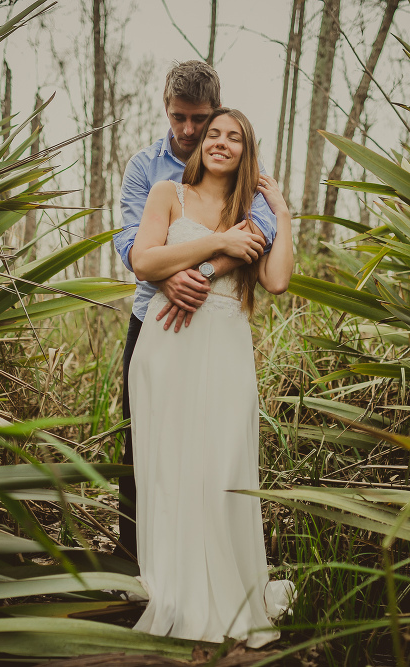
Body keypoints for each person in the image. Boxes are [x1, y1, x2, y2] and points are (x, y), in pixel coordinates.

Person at [127, 107, 294, 647]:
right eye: (214, 134)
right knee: (171, 466)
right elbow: (144, 262)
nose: (221, 142)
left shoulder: (254, 212)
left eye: (235, 137)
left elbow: (276, 281)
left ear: (247, 151)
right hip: (168, 340)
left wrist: (285, 215)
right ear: (201, 144)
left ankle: (231, 591)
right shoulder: (167, 196)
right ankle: (174, 591)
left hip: (226, 343)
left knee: (224, 463)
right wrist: (219, 244)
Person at [113, 61, 277, 560]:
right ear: (167, 109)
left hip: (216, 326)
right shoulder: (146, 169)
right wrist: (167, 277)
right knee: (142, 437)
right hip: (154, 319)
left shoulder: (242, 171)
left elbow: (260, 233)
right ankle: (133, 557)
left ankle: (200, 558)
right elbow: (130, 242)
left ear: (216, 112)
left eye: (198, 119)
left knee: (210, 444)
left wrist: (203, 271)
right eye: (178, 117)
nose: (188, 130)